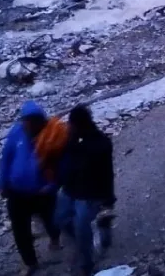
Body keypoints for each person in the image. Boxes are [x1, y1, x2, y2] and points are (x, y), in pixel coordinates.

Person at [0, 101, 60, 274]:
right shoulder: (16, 133)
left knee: (51, 220)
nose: (28, 124)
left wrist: (52, 185)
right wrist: (2, 183)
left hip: (43, 192)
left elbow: (61, 165)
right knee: (20, 230)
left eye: (32, 121)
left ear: (40, 121)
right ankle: (30, 262)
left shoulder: (51, 136)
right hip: (16, 193)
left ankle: (55, 237)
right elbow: (6, 159)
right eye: (26, 120)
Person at [56, 105, 115, 276]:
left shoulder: (100, 144)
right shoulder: (73, 140)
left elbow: (107, 174)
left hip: (89, 195)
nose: (69, 127)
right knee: (60, 218)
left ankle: (87, 264)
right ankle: (87, 238)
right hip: (70, 189)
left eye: (72, 124)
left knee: (82, 229)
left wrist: (107, 199)